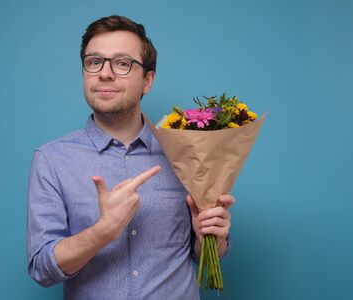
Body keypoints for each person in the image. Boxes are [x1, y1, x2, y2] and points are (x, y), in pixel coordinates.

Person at [27, 15, 235, 299]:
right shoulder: (51, 159)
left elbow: (205, 256)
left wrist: (212, 236)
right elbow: (42, 269)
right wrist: (103, 231)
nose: (105, 73)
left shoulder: (184, 153)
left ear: (147, 80)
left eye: (122, 63)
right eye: (94, 62)